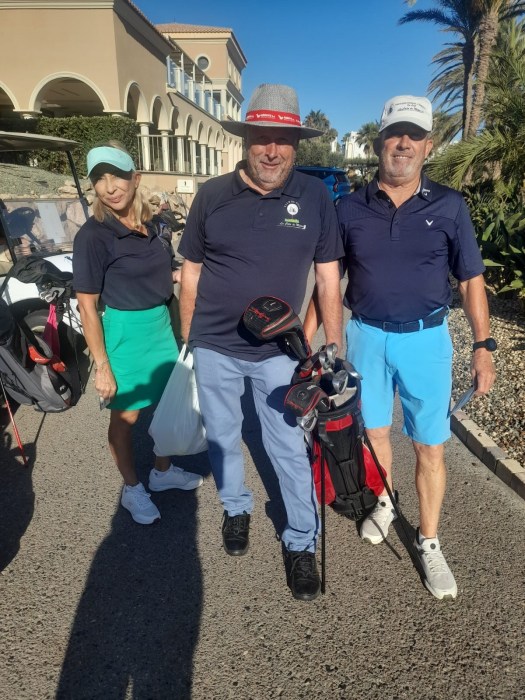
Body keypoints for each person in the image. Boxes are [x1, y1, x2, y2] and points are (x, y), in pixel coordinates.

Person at [307, 95, 496, 600]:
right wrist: (309, 340)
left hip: (426, 340)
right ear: (379, 143)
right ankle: (387, 503)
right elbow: (329, 280)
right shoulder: (349, 207)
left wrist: (483, 346)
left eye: (414, 135)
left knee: (429, 445)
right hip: (365, 336)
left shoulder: (450, 206)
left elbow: (471, 280)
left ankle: (429, 541)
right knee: (373, 434)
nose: (404, 143)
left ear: (428, 146)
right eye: (395, 134)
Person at [178, 84, 343, 601]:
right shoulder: (211, 195)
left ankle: (301, 540)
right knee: (224, 437)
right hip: (215, 346)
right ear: (245, 140)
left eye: (282, 140)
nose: (272, 151)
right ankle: (236, 507)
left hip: (279, 351)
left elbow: (327, 276)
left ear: (296, 144)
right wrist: (190, 338)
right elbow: (190, 270)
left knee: (288, 446)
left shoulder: (315, 197)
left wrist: (331, 347)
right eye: (261, 139)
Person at [73, 143, 203, 525]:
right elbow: (86, 307)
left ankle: (162, 472)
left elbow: (161, 271)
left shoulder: (157, 225)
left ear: (136, 178)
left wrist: (181, 277)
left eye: (117, 176)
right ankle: (132, 488)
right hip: (125, 332)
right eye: (100, 179)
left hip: (162, 325)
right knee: (126, 417)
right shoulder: (93, 236)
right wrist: (102, 367)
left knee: (167, 404)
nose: (110, 186)